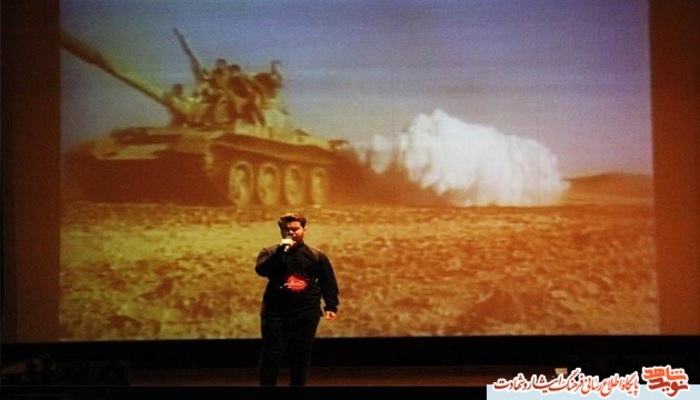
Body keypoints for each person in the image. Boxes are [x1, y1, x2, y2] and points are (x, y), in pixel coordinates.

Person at [254, 212, 339, 386]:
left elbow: (327, 281)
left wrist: (331, 305)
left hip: (306, 310)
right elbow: (262, 271)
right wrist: (280, 252)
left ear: (304, 230)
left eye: (295, 229)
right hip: (275, 311)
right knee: (272, 352)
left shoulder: (316, 255)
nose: (291, 232)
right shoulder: (269, 252)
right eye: (286, 229)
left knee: (301, 353)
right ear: (281, 231)